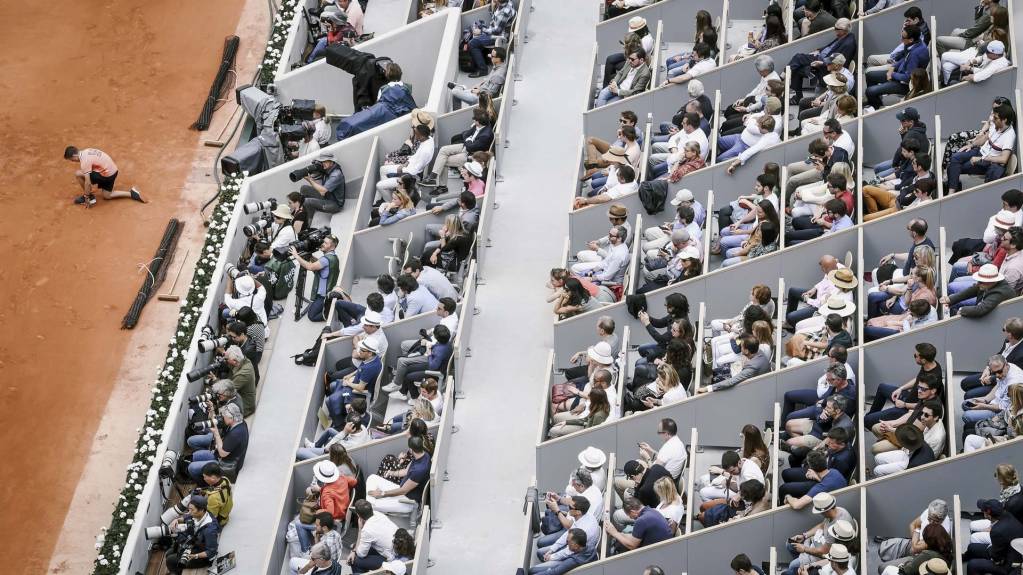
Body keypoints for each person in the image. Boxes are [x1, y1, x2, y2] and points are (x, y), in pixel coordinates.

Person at [786, 17, 856, 103]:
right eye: (835, 28)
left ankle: (784, 77)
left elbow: (840, 63)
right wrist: (819, 50)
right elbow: (830, 47)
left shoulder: (848, 44)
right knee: (798, 61)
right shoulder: (842, 36)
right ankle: (797, 95)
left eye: (837, 29)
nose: (835, 30)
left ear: (844, 30)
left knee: (798, 61)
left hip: (825, 67)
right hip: (821, 58)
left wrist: (822, 63)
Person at [781, 492, 854, 575]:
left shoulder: (836, 529)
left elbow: (823, 552)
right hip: (816, 543)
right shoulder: (838, 511)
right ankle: (801, 562)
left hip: (819, 553)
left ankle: (800, 563)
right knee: (789, 544)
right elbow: (822, 525)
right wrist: (804, 535)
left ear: (826, 511)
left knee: (792, 566)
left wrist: (804, 549)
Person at [875, 500, 953, 575]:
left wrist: (917, 534)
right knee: (883, 548)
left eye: (935, 521)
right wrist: (916, 539)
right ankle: (897, 560)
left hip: (920, 553)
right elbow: (913, 524)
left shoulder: (943, 530)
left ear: (942, 519)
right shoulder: (930, 512)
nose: (931, 523)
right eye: (929, 519)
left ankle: (898, 561)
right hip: (916, 543)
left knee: (882, 568)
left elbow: (916, 549)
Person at [533, 497, 600, 574]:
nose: (568, 508)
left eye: (570, 507)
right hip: (574, 547)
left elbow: (569, 551)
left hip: (574, 554)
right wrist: (552, 549)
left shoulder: (584, 530)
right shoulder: (584, 516)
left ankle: (548, 566)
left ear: (578, 512)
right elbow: (567, 535)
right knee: (542, 551)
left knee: (536, 564)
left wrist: (551, 557)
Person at [366, 435, 431, 514]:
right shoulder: (423, 454)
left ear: (411, 449)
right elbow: (406, 471)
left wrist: (382, 493)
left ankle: (370, 502)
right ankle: (371, 499)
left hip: (407, 501)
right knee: (372, 478)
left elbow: (403, 491)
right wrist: (391, 473)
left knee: (369, 506)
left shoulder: (419, 470)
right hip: (401, 488)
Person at [63, 145, 145, 206]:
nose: (73, 161)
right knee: (107, 195)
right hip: (113, 171)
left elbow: (88, 182)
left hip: (106, 175)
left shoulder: (84, 161)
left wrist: (86, 197)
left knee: (78, 174)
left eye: (71, 160)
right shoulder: (87, 151)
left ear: (74, 156)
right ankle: (132, 194)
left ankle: (90, 197)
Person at [187, 403, 249, 481]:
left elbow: (222, 454)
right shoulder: (240, 422)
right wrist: (212, 410)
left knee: (192, 467)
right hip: (221, 456)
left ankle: (204, 483)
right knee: (195, 456)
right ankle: (205, 474)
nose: (222, 418)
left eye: (224, 416)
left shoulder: (236, 434)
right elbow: (216, 421)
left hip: (226, 465)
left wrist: (216, 433)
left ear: (231, 418)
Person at [963, 498, 1023, 575]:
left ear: (987, 514)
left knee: (972, 565)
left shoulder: (997, 531)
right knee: (972, 547)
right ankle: (961, 558)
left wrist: (990, 550)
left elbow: (996, 558)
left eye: (983, 511)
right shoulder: (1007, 515)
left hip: (1009, 566)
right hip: (1009, 550)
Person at [164, 496, 219, 574]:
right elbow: (187, 516)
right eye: (189, 509)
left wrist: (195, 556)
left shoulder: (210, 530)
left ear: (201, 510)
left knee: (170, 560)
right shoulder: (201, 514)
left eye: (192, 509)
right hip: (194, 543)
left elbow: (211, 552)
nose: (189, 512)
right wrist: (176, 520)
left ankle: (176, 572)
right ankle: (177, 570)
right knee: (169, 553)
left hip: (202, 556)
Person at [291, 234, 340, 322]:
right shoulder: (333, 257)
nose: (322, 244)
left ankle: (332, 313)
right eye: (323, 241)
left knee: (311, 316)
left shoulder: (325, 260)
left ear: (332, 247)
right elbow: (319, 263)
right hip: (329, 289)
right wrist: (310, 256)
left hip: (323, 295)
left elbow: (310, 267)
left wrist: (296, 256)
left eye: (325, 243)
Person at [941, 263, 1016, 318]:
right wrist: (950, 299)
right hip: (986, 310)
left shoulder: (999, 293)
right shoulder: (986, 284)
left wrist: (961, 310)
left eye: (981, 281)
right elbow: (973, 289)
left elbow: (980, 310)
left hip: (996, 319)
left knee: (960, 309)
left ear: (992, 281)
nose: (978, 283)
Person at [604, 497, 673, 553]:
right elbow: (634, 537)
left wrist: (615, 533)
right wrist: (619, 534)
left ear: (633, 512)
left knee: (620, 547)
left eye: (629, 515)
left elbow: (632, 545)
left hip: (659, 552)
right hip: (667, 547)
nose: (630, 518)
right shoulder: (651, 510)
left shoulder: (641, 521)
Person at [347, 499, 399, 573]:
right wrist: (354, 551)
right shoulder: (378, 514)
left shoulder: (367, 530)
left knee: (354, 560)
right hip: (394, 548)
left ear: (358, 515)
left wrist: (360, 529)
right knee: (356, 548)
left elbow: (361, 554)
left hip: (392, 559)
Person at [466, 0, 516, 77]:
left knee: (472, 43)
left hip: (498, 37)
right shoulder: (504, 3)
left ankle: (483, 70)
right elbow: (495, 20)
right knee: (475, 27)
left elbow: (496, 31)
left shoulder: (505, 12)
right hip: (494, 30)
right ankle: (481, 59)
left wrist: (481, 31)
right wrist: (492, 7)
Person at [299, 151, 347, 218]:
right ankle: (301, 211)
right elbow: (320, 187)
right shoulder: (327, 169)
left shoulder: (336, 175)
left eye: (325, 161)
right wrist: (311, 176)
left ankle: (306, 223)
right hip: (327, 196)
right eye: (322, 161)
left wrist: (309, 180)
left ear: (331, 161)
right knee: (304, 188)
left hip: (335, 204)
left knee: (306, 201)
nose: (323, 163)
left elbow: (322, 192)